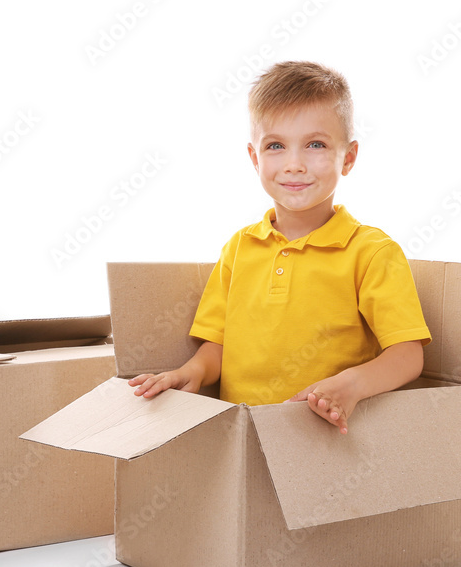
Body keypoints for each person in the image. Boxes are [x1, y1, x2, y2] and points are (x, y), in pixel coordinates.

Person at [128, 60, 431, 434]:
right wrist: (192, 372)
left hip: (324, 440)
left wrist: (351, 385)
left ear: (348, 157)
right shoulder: (239, 248)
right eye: (275, 146)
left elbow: (408, 355)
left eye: (315, 144)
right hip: (242, 435)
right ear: (255, 158)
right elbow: (218, 346)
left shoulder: (371, 252)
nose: (294, 164)